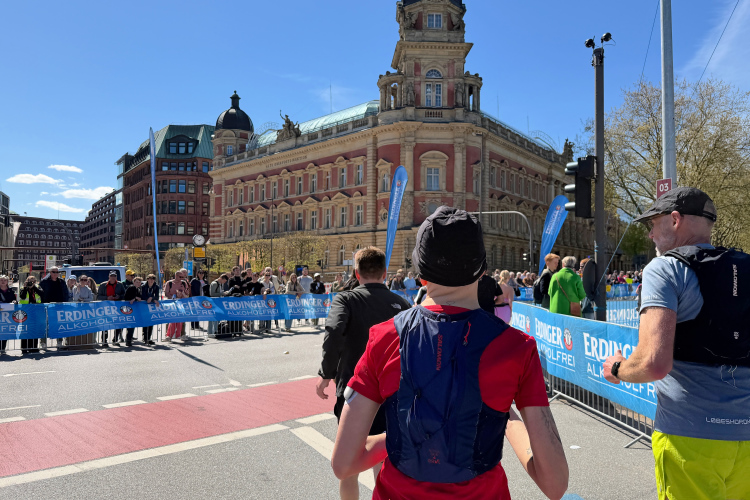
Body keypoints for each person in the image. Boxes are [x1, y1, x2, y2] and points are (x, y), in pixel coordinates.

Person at [331, 207, 568, 499]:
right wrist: (507, 417)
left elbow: (344, 464)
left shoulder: (384, 337)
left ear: (420, 275)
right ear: (482, 270)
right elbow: (555, 484)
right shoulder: (517, 347)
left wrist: (405, 435)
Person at [602, 187, 750, 500]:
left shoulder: (665, 268)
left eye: (653, 224)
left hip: (691, 435)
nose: (650, 234)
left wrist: (617, 368)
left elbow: (653, 363)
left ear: (674, 219)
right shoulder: (746, 267)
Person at [317, 247, 412, 500]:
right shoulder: (402, 303)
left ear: (356, 273)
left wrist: (326, 373)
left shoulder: (346, 299)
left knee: (348, 464)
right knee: (383, 458)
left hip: (354, 389)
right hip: (392, 391)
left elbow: (334, 332)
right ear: (384, 273)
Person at [40, 266, 70, 350]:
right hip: (47, 306)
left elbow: (66, 293)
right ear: (50, 272)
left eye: (57, 272)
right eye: (54, 272)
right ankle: (43, 343)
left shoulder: (61, 282)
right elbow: (40, 294)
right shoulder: (44, 282)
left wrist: (65, 303)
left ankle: (59, 342)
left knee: (59, 325)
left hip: (59, 306)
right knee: (45, 325)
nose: (56, 273)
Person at [97, 271, 126, 347]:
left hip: (117, 307)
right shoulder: (103, 285)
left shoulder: (120, 285)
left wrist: (119, 296)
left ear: (116, 277)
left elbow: (124, 295)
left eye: (114, 276)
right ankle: (104, 341)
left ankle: (115, 339)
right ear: (109, 277)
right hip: (106, 307)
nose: (113, 277)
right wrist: (107, 298)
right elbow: (98, 296)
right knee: (105, 325)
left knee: (118, 324)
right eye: (111, 276)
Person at [18, 276, 43, 354]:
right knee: (25, 329)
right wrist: (26, 288)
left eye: (33, 281)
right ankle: (24, 347)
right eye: (29, 281)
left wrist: (34, 287)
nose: (31, 283)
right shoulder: (23, 288)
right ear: (26, 281)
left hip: (35, 310)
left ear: (35, 282)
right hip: (26, 311)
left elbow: (42, 294)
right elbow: (22, 296)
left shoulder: (37, 287)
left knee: (35, 328)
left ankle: (33, 347)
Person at [164, 270, 190, 342]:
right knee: (170, 319)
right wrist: (173, 296)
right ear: (175, 276)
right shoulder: (169, 283)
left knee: (182, 320)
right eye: (180, 277)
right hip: (171, 304)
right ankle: (168, 335)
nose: (181, 278)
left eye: (182, 277)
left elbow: (187, 293)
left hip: (181, 303)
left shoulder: (184, 283)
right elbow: (166, 293)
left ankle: (182, 334)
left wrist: (182, 294)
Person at [124, 276, 144, 346]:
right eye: (137, 282)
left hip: (134, 309)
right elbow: (127, 297)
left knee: (132, 325)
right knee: (130, 325)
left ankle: (129, 339)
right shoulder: (131, 288)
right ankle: (127, 340)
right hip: (128, 309)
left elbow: (139, 297)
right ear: (133, 282)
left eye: (139, 282)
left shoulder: (138, 289)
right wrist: (135, 298)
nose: (138, 283)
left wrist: (137, 298)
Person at [0, 275, 18, 354]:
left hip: (8, 314)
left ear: (7, 282)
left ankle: (2, 348)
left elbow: (14, 300)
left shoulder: (11, 290)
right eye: (1, 280)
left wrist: (14, 301)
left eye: (4, 280)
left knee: (5, 331)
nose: (3, 282)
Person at [141, 274, 160, 345]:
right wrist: (147, 299)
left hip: (152, 306)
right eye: (150, 279)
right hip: (144, 305)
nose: (151, 281)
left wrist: (152, 298)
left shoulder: (156, 287)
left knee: (151, 322)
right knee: (145, 322)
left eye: (153, 279)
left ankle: (148, 338)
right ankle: (145, 338)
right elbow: (142, 296)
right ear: (147, 279)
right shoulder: (143, 286)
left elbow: (157, 296)